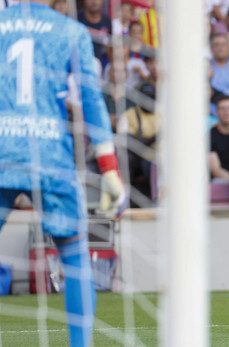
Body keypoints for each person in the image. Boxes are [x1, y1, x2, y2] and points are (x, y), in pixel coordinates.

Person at [0, 2, 126, 346]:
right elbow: (91, 100)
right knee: (73, 254)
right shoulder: (71, 30)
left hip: (1, 150)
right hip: (49, 153)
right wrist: (109, 168)